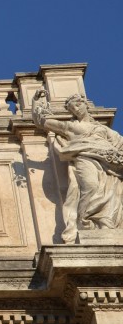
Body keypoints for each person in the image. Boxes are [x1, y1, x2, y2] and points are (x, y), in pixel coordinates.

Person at [32, 90, 123, 242]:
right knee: (91, 186)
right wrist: (37, 101)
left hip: (108, 162)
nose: (76, 109)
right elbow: (41, 121)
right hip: (85, 158)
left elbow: (120, 144)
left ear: (86, 105)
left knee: (110, 193)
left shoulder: (104, 129)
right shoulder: (69, 126)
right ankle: (87, 222)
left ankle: (105, 223)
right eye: (72, 108)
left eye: (79, 104)